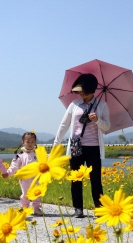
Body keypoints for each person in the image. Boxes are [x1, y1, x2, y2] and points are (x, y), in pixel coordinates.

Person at [53, 73, 110, 218]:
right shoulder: (74, 105)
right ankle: (78, 209)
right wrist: (56, 143)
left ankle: (99, 209)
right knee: (75, 178)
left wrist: (97, 120)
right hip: (76, 146)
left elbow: (106, 128)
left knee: (95, 179)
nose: (79, 93)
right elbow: (64, 124)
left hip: (93, 147)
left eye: (82, 90)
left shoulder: (102, 106)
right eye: (78, 91)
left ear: (90, 89)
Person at [6, 131, 42, 216]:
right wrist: (8, 173)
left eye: (32, 142)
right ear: (23, 143)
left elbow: (46, 159)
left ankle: (36, 208)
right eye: (28, 142)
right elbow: (14, 166)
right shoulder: (20, 155)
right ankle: (25, 208)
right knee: (25, 194)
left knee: (37, 193)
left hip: (36, 178)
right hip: (24, 179)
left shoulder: (38, 154)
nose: (30, 144)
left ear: (35, 143)